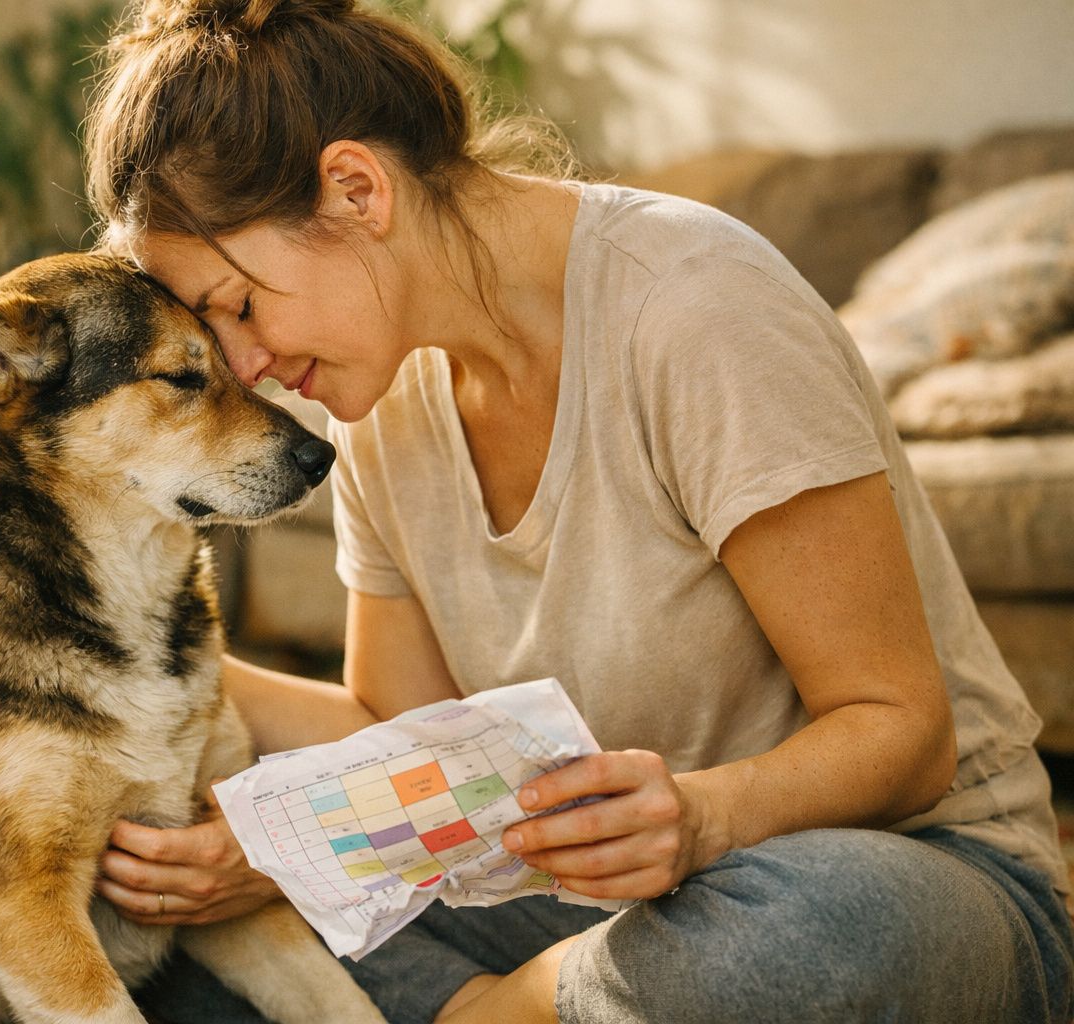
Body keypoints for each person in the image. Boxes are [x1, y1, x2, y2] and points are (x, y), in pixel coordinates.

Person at [82, 1, 1074, 1020]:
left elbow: (904, 732)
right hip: (577, 896)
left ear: (355, 188)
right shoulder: (375, 393)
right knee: (173, 937)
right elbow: (400, 729)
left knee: (799, 947)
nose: (247, 369)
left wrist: (698, 817)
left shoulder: (695, 307)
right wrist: (114, 657)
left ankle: (490, 1010)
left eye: (240, 306)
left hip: (880, 875)